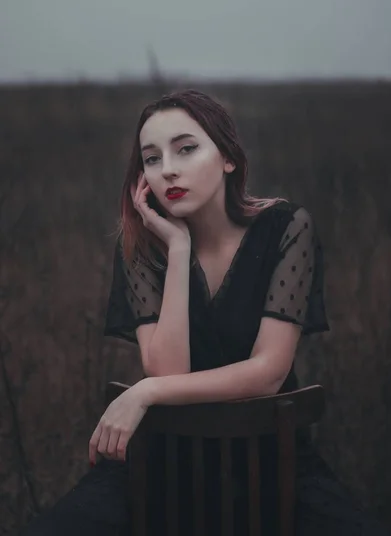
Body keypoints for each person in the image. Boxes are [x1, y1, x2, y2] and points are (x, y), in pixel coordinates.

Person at [22, 89, 389, 536]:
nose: (168, 169)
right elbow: (169, 368)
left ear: (228, 158)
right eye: (151, 159)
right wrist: (178, 250)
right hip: (163, 460)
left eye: (187, 148)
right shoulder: (141, 245)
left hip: (271, 460)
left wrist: (145, 392)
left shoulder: (287, 228)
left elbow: (269, 371)